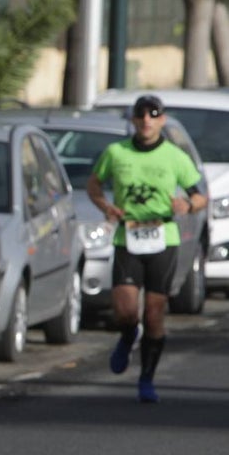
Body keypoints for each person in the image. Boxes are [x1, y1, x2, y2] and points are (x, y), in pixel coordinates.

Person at [86, 94, 207, 403]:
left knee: (154, 313)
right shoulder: (116, 152)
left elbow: (200, 195)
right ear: (133, 120)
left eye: (153, 115)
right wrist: (106, 206)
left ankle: (146, 379)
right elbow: (94, 185)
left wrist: (188, 205)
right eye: (141, 115)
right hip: (128, 237)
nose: (146, 121)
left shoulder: (174, 156)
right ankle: (128, 336)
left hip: (163, 237)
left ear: (162, 120)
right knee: (126, 311)